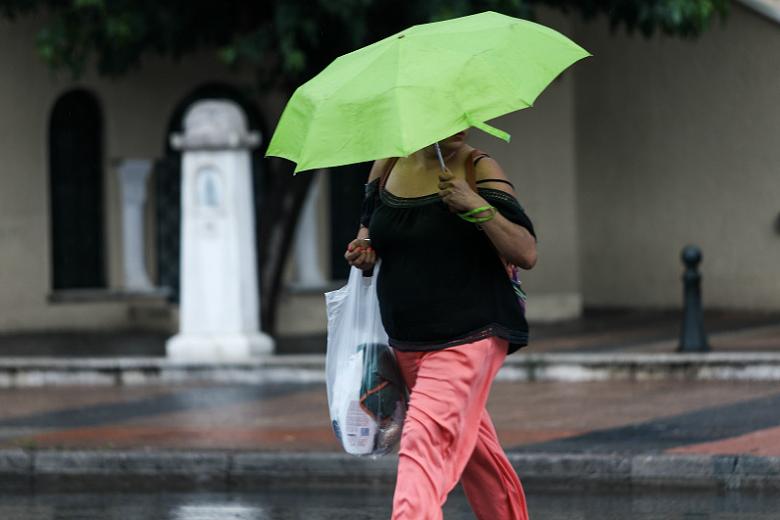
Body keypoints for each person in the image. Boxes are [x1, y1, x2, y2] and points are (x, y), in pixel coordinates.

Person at [345, 129, 536, 520]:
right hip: (407, 344)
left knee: (422, 445)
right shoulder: (387, 167)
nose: (459, 124)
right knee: (478, 458)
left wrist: (473, 203)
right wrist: (364, 250)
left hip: (469, 337)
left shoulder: (477, 167)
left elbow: (525, 250)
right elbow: (370, 231)